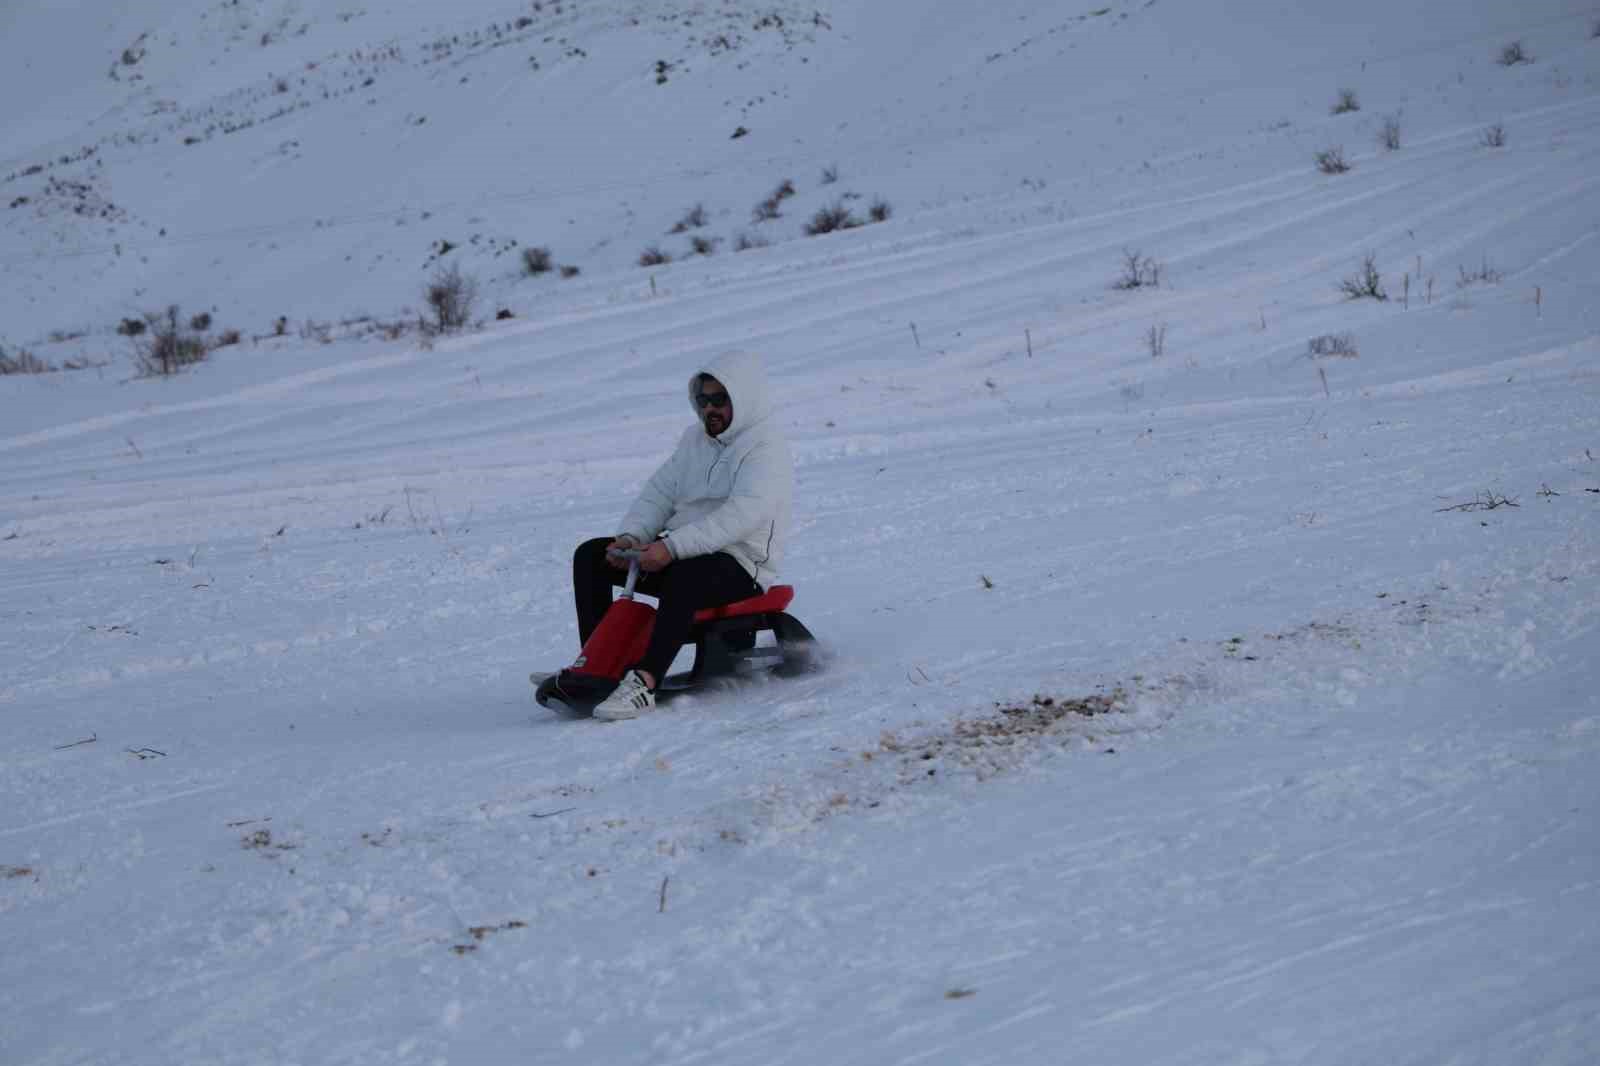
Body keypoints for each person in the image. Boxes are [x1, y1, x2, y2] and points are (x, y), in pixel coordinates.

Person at [573, 350, 793, 720]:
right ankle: (600, 667)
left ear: (743, 398)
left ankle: (644, 681)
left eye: (720, 399)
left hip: (741, 565)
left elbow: (741, 516)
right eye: (703, 400)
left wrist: (671, 548)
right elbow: (660, 492)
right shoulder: (694, 440)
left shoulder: (766, 448)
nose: (710, 409)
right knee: (592, 556)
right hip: (682, 552)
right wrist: (631, 537)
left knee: (684, 576)